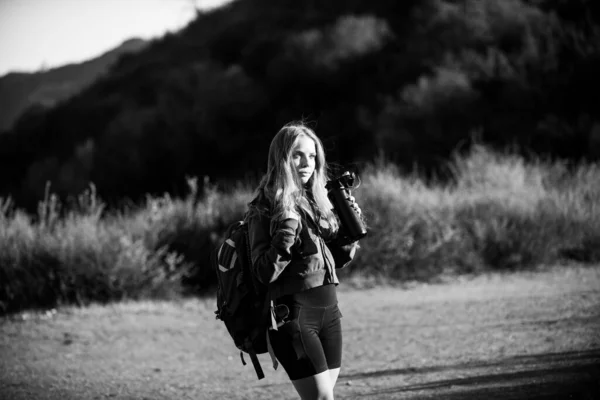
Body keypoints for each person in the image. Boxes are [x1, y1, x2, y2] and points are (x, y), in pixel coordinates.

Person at [246, 122, 362, 400]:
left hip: (330, 311)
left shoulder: (316, 201)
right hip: (294, 315)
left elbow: (335, 261)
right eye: (297, 155)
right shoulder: (263, 208)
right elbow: (263, 272)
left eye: (312, 156)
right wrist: (287, 228)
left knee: (323, 397)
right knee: (324, 398)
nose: (306, 163)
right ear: (282, 158)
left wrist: (348, 230)